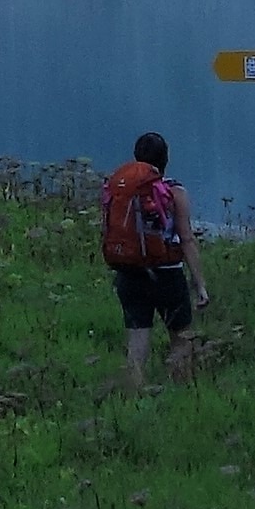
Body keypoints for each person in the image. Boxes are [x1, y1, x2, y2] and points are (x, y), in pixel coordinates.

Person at [98, 129, 198, 389]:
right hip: (167, 274)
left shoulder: (121, 188)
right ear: (166, 159)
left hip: (129, 272)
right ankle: (182, 394)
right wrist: (201, 284)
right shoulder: (174, 191)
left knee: (137, 342)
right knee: (180, 338)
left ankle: (136, 397)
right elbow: (186, 239)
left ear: (136, 158)